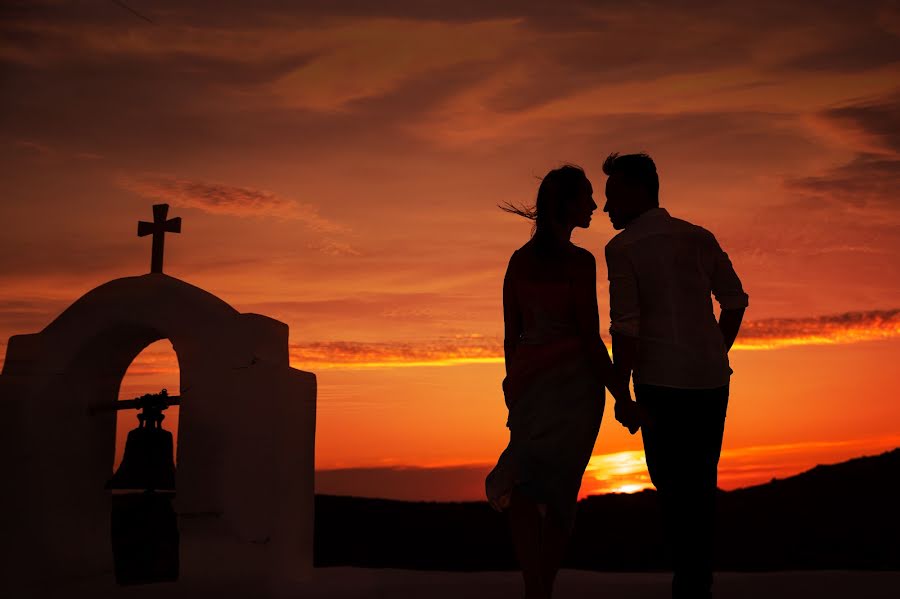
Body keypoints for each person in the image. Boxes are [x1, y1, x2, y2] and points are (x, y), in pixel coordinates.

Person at [486, 164, 637, 599]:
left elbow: (510, 336)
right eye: (586, 197)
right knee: (554, 492)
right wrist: (620, 395)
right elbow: (590, 338)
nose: (593, 206)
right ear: (564, 204)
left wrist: (514, 385)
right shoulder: (578, 262)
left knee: (527, 484)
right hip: (569, 391)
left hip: (536, 387)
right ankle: (540, 590)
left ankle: (536, 589)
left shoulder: (520, 261)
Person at [601, 152, 748, 599]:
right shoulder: (698, 236)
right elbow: (735, 301)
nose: (606, 208)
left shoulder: (622, 248)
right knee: (700, 487)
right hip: (710, 380)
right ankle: (696, 585)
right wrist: (710, 351)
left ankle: (688, 588)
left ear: (636, 190)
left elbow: (626, 325)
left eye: (612, 196)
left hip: (661, 383)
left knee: (674, 492)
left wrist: (623, 394)